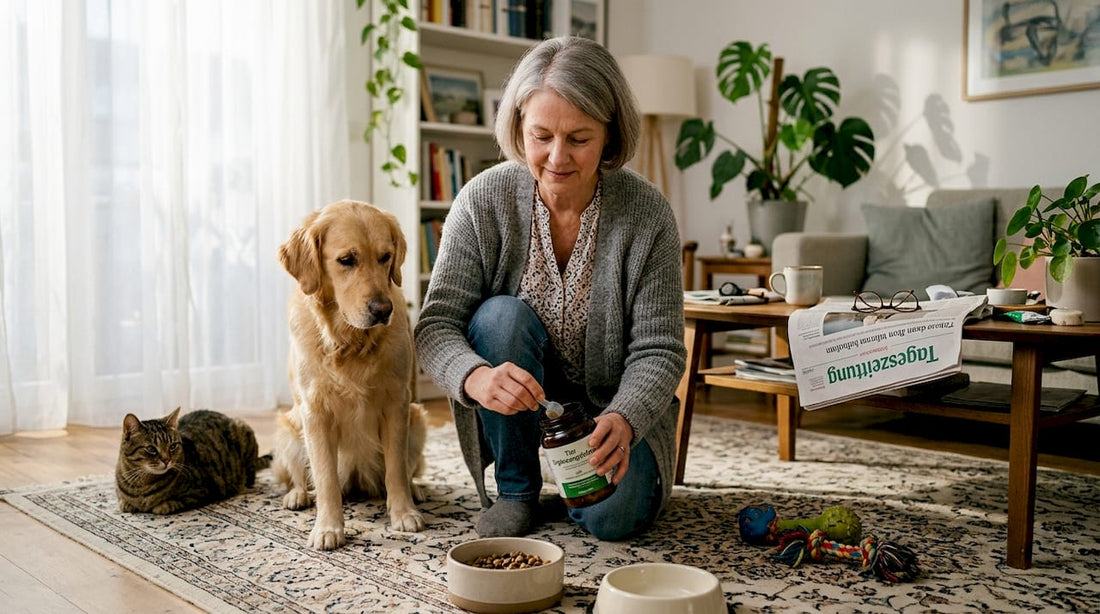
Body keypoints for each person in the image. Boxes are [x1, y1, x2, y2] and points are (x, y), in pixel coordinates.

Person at [413, 36, 686, 541]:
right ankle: (516, 489)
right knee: (498, 317)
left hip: (612, 412)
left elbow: (661, 348)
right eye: (541, 136)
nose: (557, 157)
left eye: (579, 139)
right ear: (518, 127)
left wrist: (625, 418)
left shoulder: (647, 214)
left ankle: (580, 480)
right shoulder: (482, 201)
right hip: (515, 410)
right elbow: (435, 326)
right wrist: (474, 378)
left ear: (610, 134)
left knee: (613, 520)